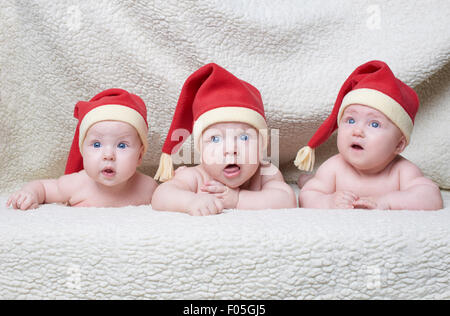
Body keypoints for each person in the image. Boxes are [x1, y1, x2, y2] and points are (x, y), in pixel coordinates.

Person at [295, 60, 443, 210]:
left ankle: (309, 179)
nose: (357, 131)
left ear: (399, 145)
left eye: (374, 124)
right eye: (351, 120)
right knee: (314, 183)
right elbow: (308, 195)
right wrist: (328, 201)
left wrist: (388, 202)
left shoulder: (402, 171)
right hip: (324, 182)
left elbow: (431, 197)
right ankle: (308, 179)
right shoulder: (334, 167)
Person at [151, 63, 296, 215]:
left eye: (244, 137)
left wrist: (238, 199)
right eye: (215, 139)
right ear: (201, 149)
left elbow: (287, 199)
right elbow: (160, 195)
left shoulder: (265, 172)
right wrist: (190, 201)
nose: (230, 149)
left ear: (261, 145)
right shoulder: (196, 175)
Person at [7, 88, 157, 209]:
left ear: (139, 156)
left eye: (122, 145)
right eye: (97, 144)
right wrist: (30, 193)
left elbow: (169, 198)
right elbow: (43, 188)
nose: (108, 155)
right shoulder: (76, 184)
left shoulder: (148, 188)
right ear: (82, 151)